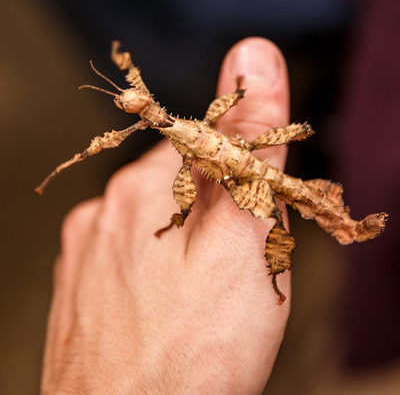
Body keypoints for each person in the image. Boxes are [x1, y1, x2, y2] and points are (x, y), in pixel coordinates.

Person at [41, 38, 292, 393]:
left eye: (129, 98)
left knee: (264, 213)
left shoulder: (151, 121)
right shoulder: (154, 117)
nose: (128, 99)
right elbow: (101, 138)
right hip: (234, 160)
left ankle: (274, 278)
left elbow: (130, 77)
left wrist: (118, 54)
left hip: (238, 160)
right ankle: (275, 279)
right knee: (266, 212)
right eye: (127, 102)